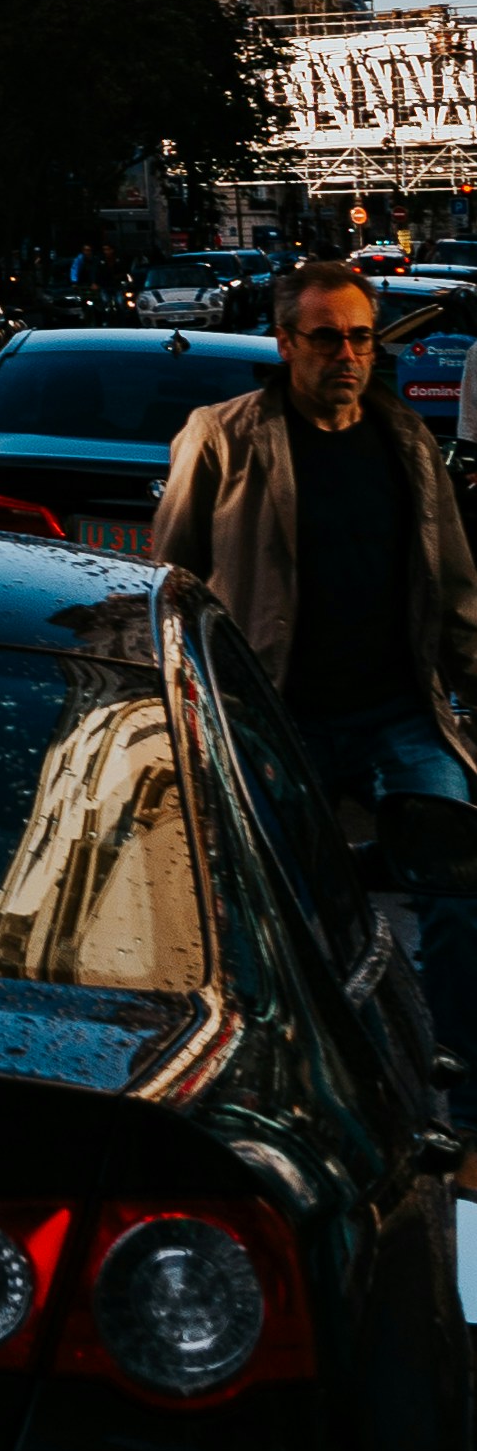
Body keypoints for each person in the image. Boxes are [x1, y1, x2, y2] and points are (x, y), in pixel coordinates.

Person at [153, 256, 477, 1078]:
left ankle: (458, 1079)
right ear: (285, 341)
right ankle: (289, 1071)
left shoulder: (405, 441)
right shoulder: (221, 435)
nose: (347, 355)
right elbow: (174, 582)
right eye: (326, 337)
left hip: (395, 714)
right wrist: (178, 709)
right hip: (274, 712)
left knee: (458, 882)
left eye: (360, 337)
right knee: (272, 905)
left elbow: (451, 589)